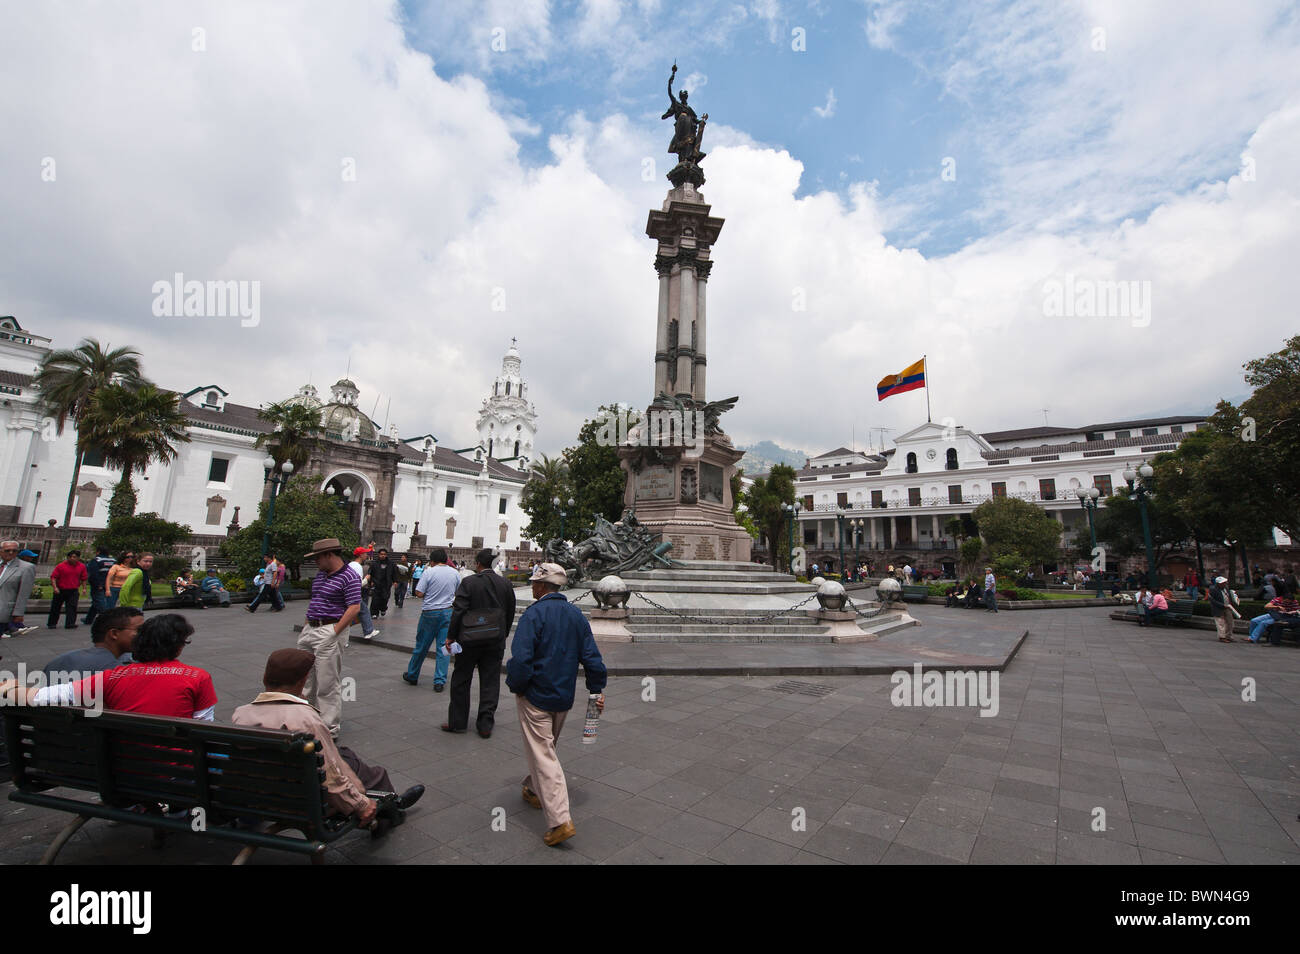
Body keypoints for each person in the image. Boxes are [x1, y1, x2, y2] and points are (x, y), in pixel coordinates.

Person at [232, 649, 424, 833]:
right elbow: (330, 775)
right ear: (302, 682)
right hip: (303, 798)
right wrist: (361, 805)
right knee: (372, 773)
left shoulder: (241, 714)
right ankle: (389, 814)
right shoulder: (304, 718)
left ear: (265, 678)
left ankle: (392, 805)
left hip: (259, 794)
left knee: (344, 754)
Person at [506, 563, 606, 847]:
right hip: (563, 697)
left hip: (536, 696)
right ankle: (533, 788)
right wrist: (596, 689)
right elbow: (592, 657)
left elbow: (522, 660)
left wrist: (518, 687)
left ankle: (560, 820)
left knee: (544, 754)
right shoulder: (576, 615)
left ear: (539, 587)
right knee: (545, 749)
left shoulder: (533, 615)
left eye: (534, 583)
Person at [13, 614, 216, 719]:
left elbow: (40, 697)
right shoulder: (197, 677)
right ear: (179, 648)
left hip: (121, 769)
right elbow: (202, 727)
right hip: (179, 771)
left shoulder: (111, 677)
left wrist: (10, 687)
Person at [442, 548, 517, 737]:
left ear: (478, 563)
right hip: (495, 639)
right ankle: (485, 724)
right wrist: (503, 634)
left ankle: (458, 722)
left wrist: (451, 636)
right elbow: (510, 612)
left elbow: (458, 611)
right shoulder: (505, 584)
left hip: (469, 639)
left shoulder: (468, 582)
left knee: (461, 678)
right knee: (490, 680)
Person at [296, 538, 362, 738]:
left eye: (318, 557)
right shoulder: (321, 575)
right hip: (311, 628)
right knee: (304, 678)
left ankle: (329, 726)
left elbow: (354, 607)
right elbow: (315, 600)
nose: (316, 561)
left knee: (327, 681)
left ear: (329, 555)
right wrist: (306, 626)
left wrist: (335, 632)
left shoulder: (349, 576)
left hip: (330, 628)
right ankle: (307, 719)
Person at [403, 548, 459, 690]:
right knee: (444, 647)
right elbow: (459, 592)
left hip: (430, 612)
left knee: (421, 646)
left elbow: (419, 592)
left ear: (433, 561)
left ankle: (413, 674)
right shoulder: (455, 573)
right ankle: (439, 680)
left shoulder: (429, 572)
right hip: (447, 612)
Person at [43, 606, 140, 680]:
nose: (145, 634)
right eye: (139, 630)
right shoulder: (118, 673)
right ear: (114, 634)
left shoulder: (57, 662)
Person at [0, 540, 38, 637]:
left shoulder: (26, 568)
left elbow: (24, 593)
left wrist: (18, 613)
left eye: (14, 551)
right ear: (1, 551)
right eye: (7, 550)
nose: (11, 553)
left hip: (4, 610)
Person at [47, 550, 88, 630]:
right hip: (61, 589)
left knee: (72, 607)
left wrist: (84, 588)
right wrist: (55, 587)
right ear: (68, 557)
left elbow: (83, 578)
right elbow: (53, 577)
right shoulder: (61, 566)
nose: (74, 559)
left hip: (73, 590)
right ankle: (52, 623)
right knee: (56, 607)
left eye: (76, 557)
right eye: (72, 557)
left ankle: (70, 623)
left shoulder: (81, 566)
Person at [347, 547, 379, 640]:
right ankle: (368, 631)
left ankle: (368, 630)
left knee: (359, 613)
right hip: (353, 594)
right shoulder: (357, 567)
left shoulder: (351, 565)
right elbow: (358, 584)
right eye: (365, 554)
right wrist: (367, 579)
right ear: (360, 555)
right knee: (363, 611)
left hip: (350, 593)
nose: (367, 556)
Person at [81, 547, 116, 626]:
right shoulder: (113, 561)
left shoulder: (96, 560)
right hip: (110, 585)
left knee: (100, 603)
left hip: (99, 585)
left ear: (98, 552)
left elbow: (93, 574)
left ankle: (108, 620)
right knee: (96, 603)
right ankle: (88, 619)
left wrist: (97, 584)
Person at [1207, 576, 1238, 643]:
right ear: (1218, 583)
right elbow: (1212, 600)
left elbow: (1229, 596)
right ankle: (1222, 637)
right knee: (1220, 623)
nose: (1224, 584)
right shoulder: (1213, 589)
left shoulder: (1226, 588)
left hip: (1227, 607)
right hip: (1218, 608)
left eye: (1224, 582)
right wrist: (1222, 605)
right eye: (1223, 583)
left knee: (1230, 622)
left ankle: (1228, 636)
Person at [368, 548, 394, 619]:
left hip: (386, 584)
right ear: (379, 555)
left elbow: (394, 573)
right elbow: (370, 573)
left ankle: (383, 608)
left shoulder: (391, 563)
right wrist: (371, 582)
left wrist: (395, 581)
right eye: (381, 554)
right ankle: (374, 613)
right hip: (377, 583)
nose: (383, 556)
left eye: (384, 554)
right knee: (375, 599)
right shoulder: (374, 563)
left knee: (385, 598)